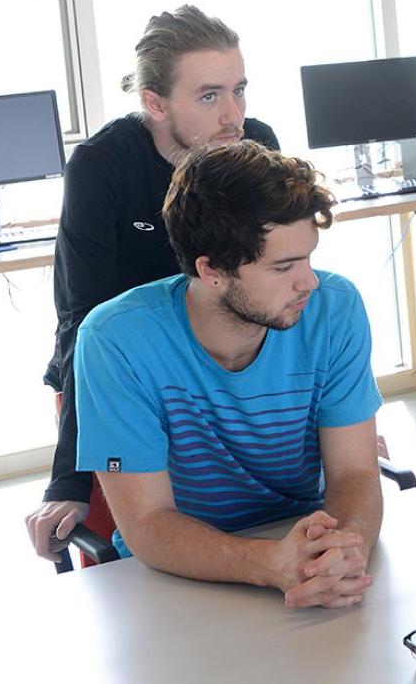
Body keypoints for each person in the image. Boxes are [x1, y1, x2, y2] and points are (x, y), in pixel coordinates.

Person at [74, 141, 384, 608]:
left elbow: (356, 473)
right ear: (212, 270)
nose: (309, 282)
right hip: (176, 578)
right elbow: (147, 522)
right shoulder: (115, 339)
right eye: (283, 266)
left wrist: (339, 552)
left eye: (308, 258)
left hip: (303, 550)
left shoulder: (335, 309)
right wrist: (270, 565)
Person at [25, 5, 279, 562]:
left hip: (221, 370)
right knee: (123, 559)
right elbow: (81, 322)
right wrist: (67, 480)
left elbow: (278, 288)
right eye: (209, 96)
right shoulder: (102, 166)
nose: (233, 116)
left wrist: (336, 429)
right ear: (155, 102)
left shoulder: (254, 144)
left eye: (240, 89)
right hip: (111, 374)